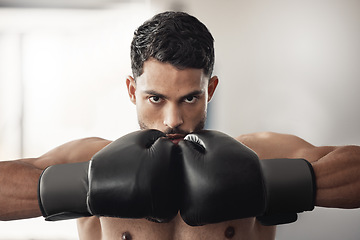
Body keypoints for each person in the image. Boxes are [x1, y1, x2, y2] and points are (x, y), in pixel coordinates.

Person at [1, 11, 360, 240]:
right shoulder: (94, 158)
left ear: (211, 90)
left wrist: (264, 183)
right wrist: (88, 185)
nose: (172, 121)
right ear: (132, 90)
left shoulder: (257, 155)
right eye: (156, 98)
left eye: (189, 98)